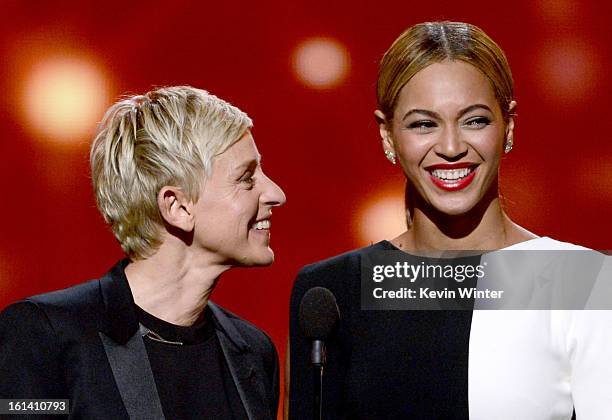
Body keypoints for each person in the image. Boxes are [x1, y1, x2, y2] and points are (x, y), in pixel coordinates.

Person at [288, 22, 612, 419]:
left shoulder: (581, 281)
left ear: (509, 125)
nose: (452, 147)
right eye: (423, 124)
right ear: (387, 135)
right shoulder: (331, 292)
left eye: (474, 120)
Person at [0, 86, 285, 419]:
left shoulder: (253, 350)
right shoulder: (44, 336)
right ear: (177, 206)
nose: (276, 194)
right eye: (247, 178)